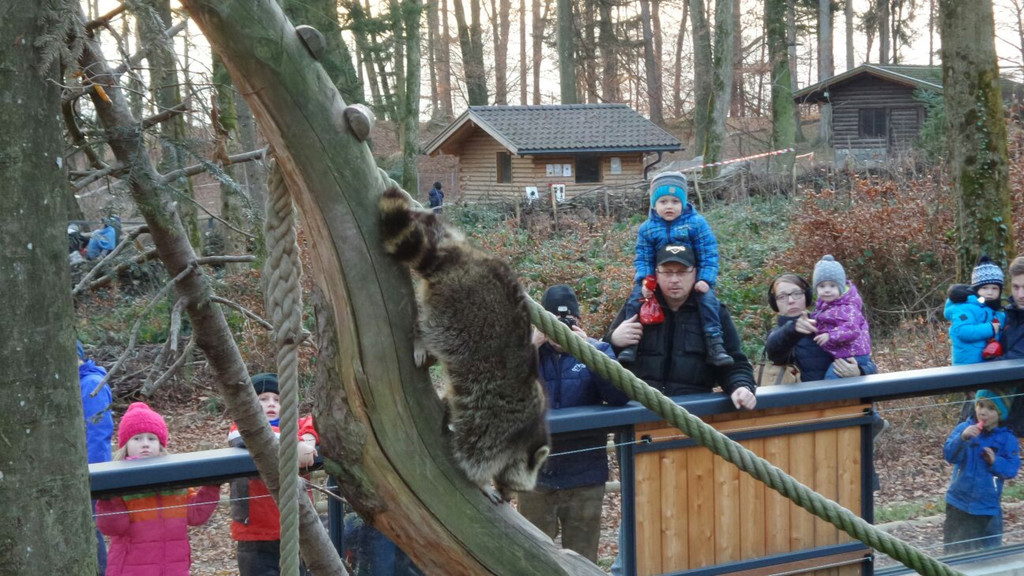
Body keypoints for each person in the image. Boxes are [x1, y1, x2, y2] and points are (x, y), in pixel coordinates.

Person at [518, 284, 630, 562]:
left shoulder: (597, 351)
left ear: (579, 322)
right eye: (555, 322)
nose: (561, 330)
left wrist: (589, 353)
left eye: (569, 322)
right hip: (536, 477)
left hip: (584, 476)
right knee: (532, 560)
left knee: (582, 560)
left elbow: (619, 395)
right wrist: (531, 345)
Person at [607, 243, 757, 410]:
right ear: (656, 273)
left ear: (695, 273)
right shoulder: (637, 306)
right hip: (639, 412)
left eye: (682, 272)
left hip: (694, 413)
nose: (674, 279)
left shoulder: (713, 313)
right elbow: (601, 359)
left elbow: (735, 363)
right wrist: (613, 340)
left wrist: (741, 386)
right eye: (667, 272)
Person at [618, 171, 732, 367]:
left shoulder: (696, 224)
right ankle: (631, 343)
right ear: (654, 204)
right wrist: (646, 280)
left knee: (708, 303)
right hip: (658, 277)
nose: (669, 206)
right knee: (635, 300)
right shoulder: (647, 228)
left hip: (691, 277)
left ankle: (715, 343)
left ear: (683, 203)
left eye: (674, 201)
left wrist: (705, 279)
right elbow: (643, 257)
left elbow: (708, 254)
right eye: (663, 201)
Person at [96, 402, 221, 576]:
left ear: (161, 444)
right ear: (125, 444)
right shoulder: (120, 480)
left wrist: (212, 486)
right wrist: (108, 499)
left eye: (151, 438)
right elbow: (113, 527)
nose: (145, 444)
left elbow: (196, 515)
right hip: (130, 569)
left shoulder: (174, 480)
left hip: (173, 568)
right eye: (137, 438)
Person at [229, 373, 319, 576]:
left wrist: (308, 440)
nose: (271, 404)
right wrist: (295, 445)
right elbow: (247, 436)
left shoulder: (296, 426)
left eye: (277, 400)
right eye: (263, 399)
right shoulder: (240, 427)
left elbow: (315, 422)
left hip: (297, 529)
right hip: (255, 536)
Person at [943, 390, 1020, 554]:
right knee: (953, 552)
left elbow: (1012, 469)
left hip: (987, 507)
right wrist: (962, 438)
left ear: (1000, 414)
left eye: (991, 408)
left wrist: (995, 462)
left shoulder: (1007, 439)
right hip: (957, 502)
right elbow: (949, 455)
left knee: (987, 554)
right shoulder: (964, 428)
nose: (983, 412)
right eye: (980, 405)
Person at [809, 255, 876, 379]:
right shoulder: (826, 305)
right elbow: (822, 321)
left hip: (853, 353)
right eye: (822, 286)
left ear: (840, 287)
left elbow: (852, 329)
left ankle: (834, 398)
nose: (827, 290)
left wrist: (830, 335)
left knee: (831, 379)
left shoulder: (847, 307)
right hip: (843, 352)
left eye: (832, 286)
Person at [79, 341, 113, 575]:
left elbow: (98, 434)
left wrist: (95, 474)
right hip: (77, 471)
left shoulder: (90, 385)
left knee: (90, 529)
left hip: (89, 473)